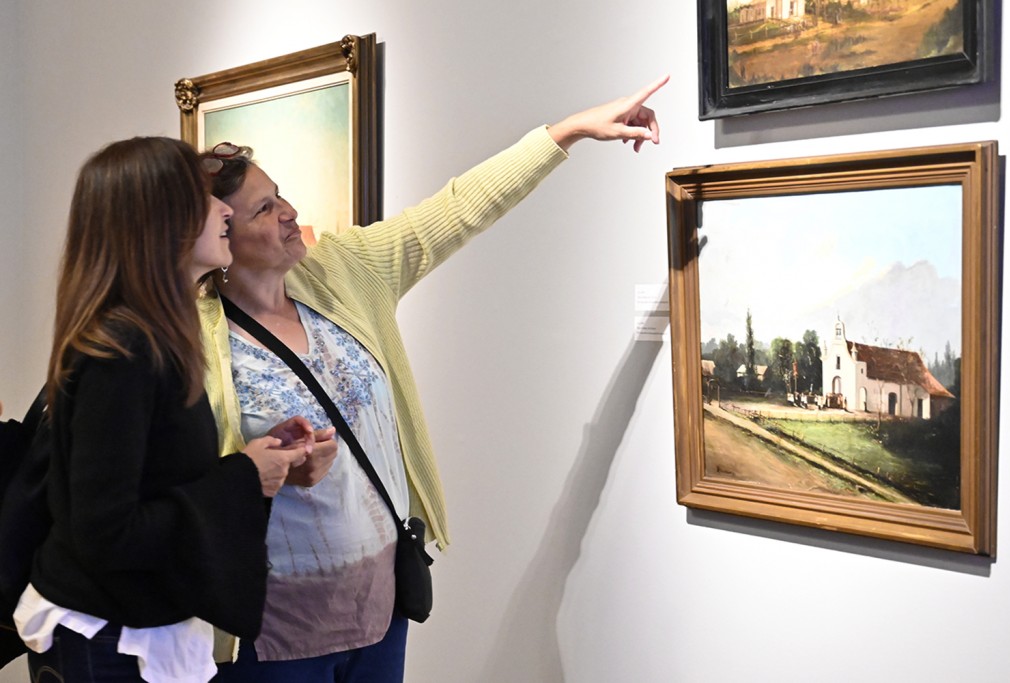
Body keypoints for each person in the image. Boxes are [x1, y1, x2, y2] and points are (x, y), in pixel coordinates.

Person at [200, 76, 668, 682]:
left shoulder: (342, 271)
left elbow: (455, 211)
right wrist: (253, 466)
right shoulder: (193, 338)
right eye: (265, 209)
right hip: (270, 629)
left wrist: (569, 131)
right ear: (219, 236)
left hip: (380, 607)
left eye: (280, 195)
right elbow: (174, 483)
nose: (290, 213)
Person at [13, 136, 335, 683]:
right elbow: (105, 532)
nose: (223, 209)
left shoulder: (155, 336)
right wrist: (244, 477)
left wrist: (257, 459)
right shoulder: (124, 350)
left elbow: (153, 483)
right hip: (110, 638)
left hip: (130, 627)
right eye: (203, 197)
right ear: (161, 221)